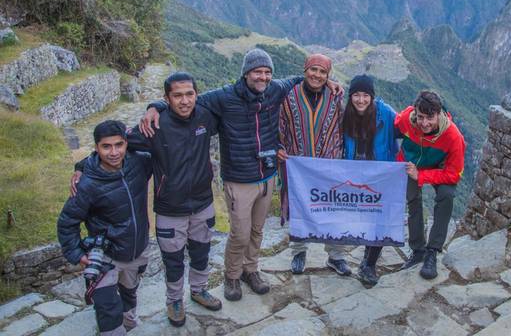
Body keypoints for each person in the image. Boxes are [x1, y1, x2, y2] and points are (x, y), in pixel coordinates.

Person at [140, 49, 341, 301]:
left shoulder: (275, 90)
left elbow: (301, 79)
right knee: (240, 233)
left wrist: (329, 82)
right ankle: (232, 275)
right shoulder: (224, 97)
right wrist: (156, 106)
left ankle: (251, 270)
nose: (263, 77)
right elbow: (188, 101)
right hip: (239, 179)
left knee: (257, 230)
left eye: (267, 72)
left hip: (267, 176)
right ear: (246, 73)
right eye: (258, 72)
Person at [72, 72, 223, 326]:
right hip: (169, 208)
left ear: (196, 95)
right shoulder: (153, 126)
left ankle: (199, 290)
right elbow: (115, 144)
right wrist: (81, 165)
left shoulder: (205, 117)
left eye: (189, 94)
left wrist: (156, 104)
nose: (184, 101)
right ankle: (174, 300)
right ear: (167, 98)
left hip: (203, 203)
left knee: (201, 253)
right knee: (173, 261)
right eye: (177, 96)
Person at [58, 120, 152, 336]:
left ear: (127, 144)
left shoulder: (138, 164)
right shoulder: (87, 184)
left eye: (119, 145)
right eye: (106, 146)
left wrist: (154, 108)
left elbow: (160, 148)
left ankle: (129, 323)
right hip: (105, 256)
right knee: (107, 308)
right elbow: (67, 221)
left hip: (136, 250)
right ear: (96, 148)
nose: (114, 152)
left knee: (130, 293)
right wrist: (77, 253)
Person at [277, 53, 350, 276]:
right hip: (297, 164)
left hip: (329, 164)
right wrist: (278, 146)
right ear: (305, 70)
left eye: (323, 72)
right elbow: (279, 124)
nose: (317, 75)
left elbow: (341, 126)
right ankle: (299, 251)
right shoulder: (288, 96)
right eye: (313, 70)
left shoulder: (335, 96)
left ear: (328, 75)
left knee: (333, 208)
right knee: (298, 207)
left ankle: (336, 256)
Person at [396, 91, 466, 280]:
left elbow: (454, 174)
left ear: (439, 113)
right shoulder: (406, 119)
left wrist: (423, 176)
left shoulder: (453, 136)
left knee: (446, 196)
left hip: (440, 167)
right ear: (415, 113)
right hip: (411, 165)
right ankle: (418, 249)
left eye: (430, 117)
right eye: (420, 117)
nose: (424, 123)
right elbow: (393, 126)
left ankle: (432, 251)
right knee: (412, 199)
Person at [341, 74, 399, 287]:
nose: (361, 100)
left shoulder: (385, 114)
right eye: (356, 95)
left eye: (366, 95)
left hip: (381, 175)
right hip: (354, 175)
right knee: (364, 218)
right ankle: (362, 253)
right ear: (351, 96)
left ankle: (370, 263)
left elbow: (408, 129)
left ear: (372, 97)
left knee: (379, 219)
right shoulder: (344, 115)